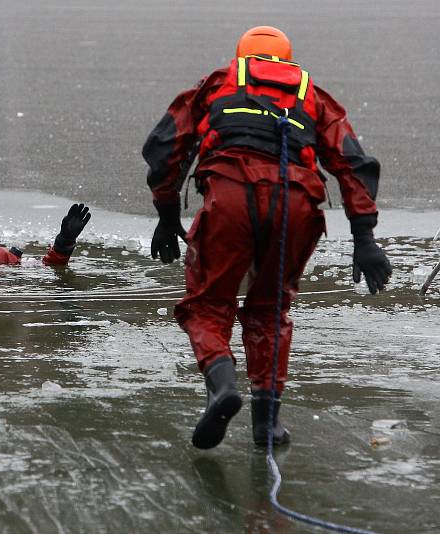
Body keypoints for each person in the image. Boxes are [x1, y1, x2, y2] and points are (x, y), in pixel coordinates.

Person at [142, 26, 392, 449]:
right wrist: (364, 238)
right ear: (287, 60)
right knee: (270, 311)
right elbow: (354, 164)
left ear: (243, 58)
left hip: (230, 197)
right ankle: (267, 424)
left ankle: (221, 384)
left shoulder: (217, 83)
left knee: (207, 304)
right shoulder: (313, 96)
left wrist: (168, 215)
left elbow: (166, 148)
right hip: (296, 205)